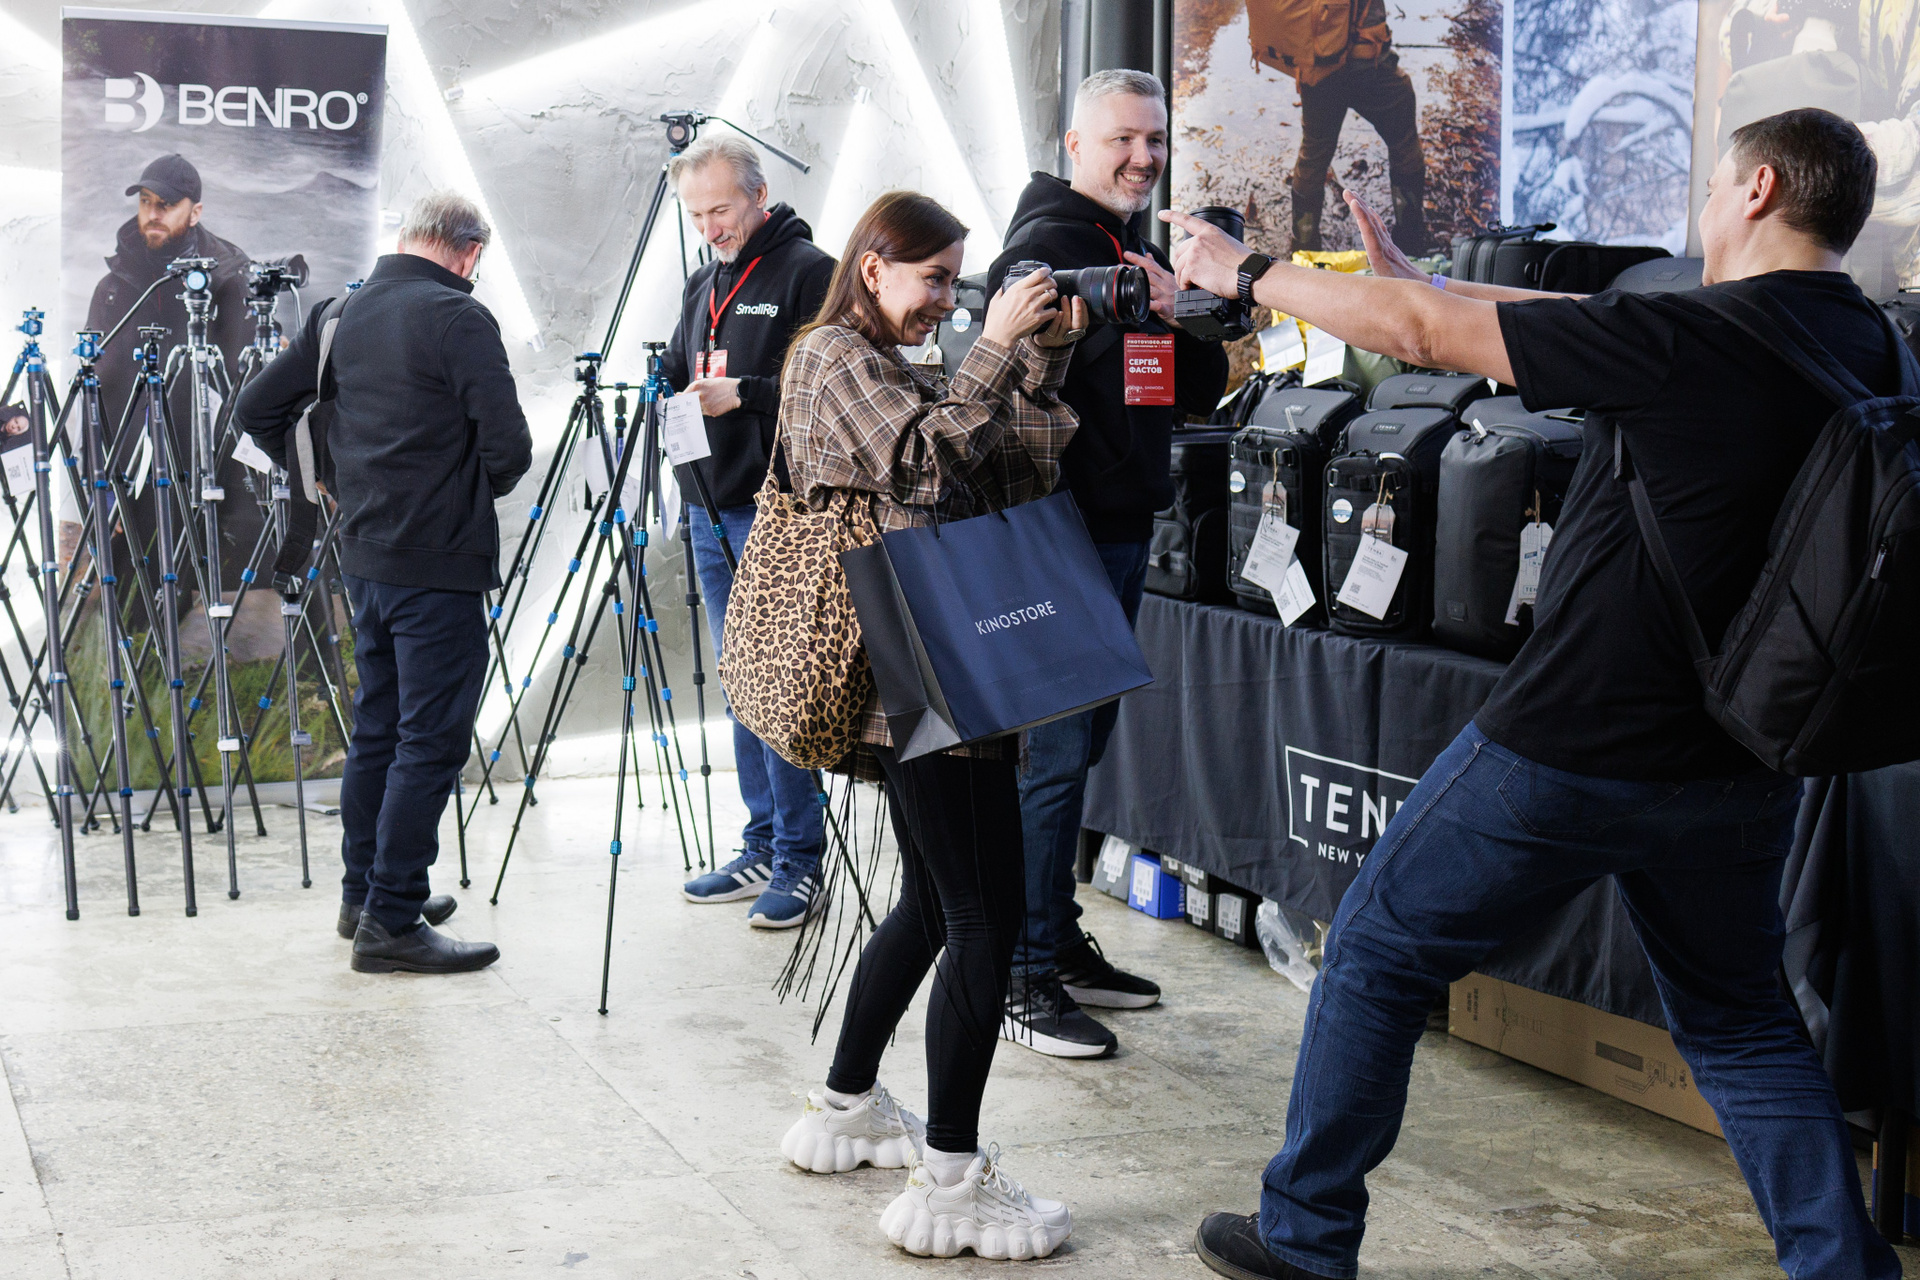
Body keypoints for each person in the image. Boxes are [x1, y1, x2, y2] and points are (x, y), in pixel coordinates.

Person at [1164, 106, 1905, 1280]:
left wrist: (1249, 274)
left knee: (1376, 950)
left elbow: (1424, 335)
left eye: (1717, 186)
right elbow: (1548, 319)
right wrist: (1425, 283)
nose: (1707, 207)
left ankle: (1305, 1236)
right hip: (1743, 755)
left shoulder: (1690, 337)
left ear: (1759, 189)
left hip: (1577, 737)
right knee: (1741, 1023)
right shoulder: (1871, 346)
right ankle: (1843, 1267)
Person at [772, 190, 1086, 1260]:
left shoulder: (900, 362)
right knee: (986, 915)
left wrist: (1035, 359)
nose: (948, 301)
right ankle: (951, 1178)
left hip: (931, 652)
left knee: (933, 905)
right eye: (934, 279)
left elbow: (1012, 469)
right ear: (873, 266)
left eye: (958, 281)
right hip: (921, 660)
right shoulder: (830, 358)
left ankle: (847, 1101)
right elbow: (920, 461)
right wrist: (991, 349)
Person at [984, 68, 1229, 1059]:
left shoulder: (1137, 248)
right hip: (1058, 532)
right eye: (1123, 139)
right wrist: (1107, 312)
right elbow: (1010, 365)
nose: (1142, 157)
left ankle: (1052, 939)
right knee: (1050, 758)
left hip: (1122, 526)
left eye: (1154, 139)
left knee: (1079, 750)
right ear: (1075, 145)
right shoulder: (1044, 246)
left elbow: (1198, 381)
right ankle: (1019, 974)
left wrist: (1179, 304)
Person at [233, 192, 531, 976]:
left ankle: (363, 895)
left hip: (363, 559)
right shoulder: (460, 318)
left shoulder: (339, 314)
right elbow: (509, 451)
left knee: (379, 731)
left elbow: (256, 408)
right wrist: (456, 493)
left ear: (406, 238)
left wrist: (329, 477)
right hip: (438, 565)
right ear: (469, 253)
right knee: (429, 741)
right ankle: (392, 919)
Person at [662, 135, 837, 928]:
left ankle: (801, 857)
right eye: (697, 215)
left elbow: (831, 385)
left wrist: (749, 393)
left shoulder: (810, 273)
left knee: (780, 688)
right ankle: (763, 841)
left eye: (721, 209)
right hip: (709, 506)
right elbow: (681, 371)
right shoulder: (704, 282)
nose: (711, 227)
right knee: (741, 684)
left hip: (778, 511)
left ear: (758, 196)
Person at [85, 153, 260, 589]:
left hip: (208, 471)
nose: (153, 214)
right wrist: (98, 483)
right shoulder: (112, 288)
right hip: (133, 470)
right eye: (146, 202)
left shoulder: (228, 281)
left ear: (194, 212)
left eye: (166, 204)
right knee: (130, 598)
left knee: (208, 592)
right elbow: (94, 392)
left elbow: (247, 389)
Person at [1251, 0, 1427, 253]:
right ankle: (1410, 240)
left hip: (1320, 65)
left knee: (1313, 152)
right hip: (1368, 65)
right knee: (1404, 141)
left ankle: (1303, 245)